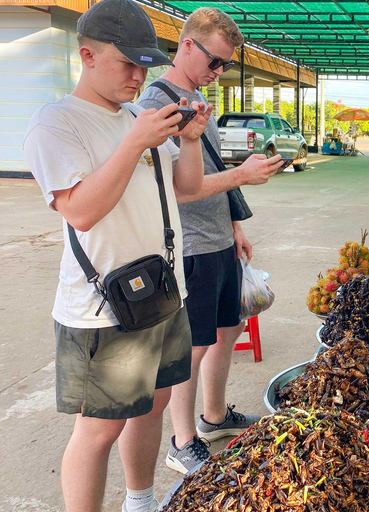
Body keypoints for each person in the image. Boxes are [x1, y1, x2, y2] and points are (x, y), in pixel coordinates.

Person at [23, 0, 212, 510]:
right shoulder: (57, 123)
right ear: (86, 54)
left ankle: (141, 499)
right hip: (104, 308)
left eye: (144, 63)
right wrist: (133, 144)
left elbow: (186, 189)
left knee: (154, 404)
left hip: (164, 291)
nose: (137, 75)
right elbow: (80, 211)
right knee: (98, 431)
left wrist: (190, 140)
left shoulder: (138, 116)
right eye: (125, 62)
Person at [137, 7, 285, 474]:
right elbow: (176, 191)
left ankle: (214, 416)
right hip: (189, 246)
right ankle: (182, 442)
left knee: (229, 328)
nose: (217, 73)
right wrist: (243, 174)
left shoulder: (197, 99)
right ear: (185, 45)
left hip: (218, 237)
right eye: (214, 62)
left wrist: (236, 225)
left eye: (225, 66)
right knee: (192, 347)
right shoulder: (156, 105)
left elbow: (214, 171)